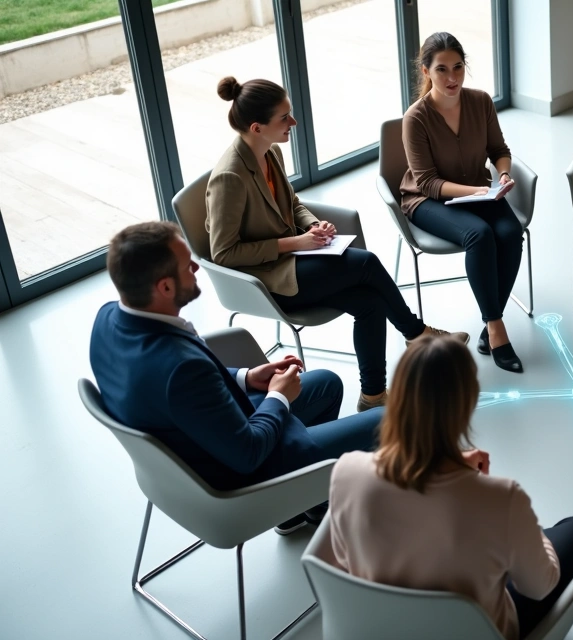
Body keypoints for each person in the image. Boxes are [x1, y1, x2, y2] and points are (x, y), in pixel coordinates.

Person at [90, 222, 383, 534]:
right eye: (187, 265)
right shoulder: (179, 368)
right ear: (164, 287)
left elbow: (178, 392)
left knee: (326, 382)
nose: (196, 268)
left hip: (199, 439)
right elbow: (248, 453)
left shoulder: (108, 318)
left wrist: (246, 377)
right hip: (242, 473)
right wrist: (278, 397)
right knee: (386, 419)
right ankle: (300, 493)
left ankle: (306, 506)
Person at [206, 76, 465, 412]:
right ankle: (417, 334)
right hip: (268, 280)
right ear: (256, 127)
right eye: (284, 118)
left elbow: (292, 203)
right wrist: (295, 242)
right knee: (366, 263)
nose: (294, 123)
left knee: (370, 302)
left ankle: (373, 396)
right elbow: (224, 254)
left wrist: (314, 225)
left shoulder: (269, 154)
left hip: (295, 261)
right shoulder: (230, 177)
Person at [328, 336, 573, 640]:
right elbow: (539, 586)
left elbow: (345, 557)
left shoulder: (346, 471)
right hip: (481, 631)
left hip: (384, 629)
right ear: (466, 405)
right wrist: (530, 534)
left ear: (398, 396)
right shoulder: (501, 499)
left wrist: (448, 464)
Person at [400, 32, 525, 374]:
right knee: (480, 235)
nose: (452, 78)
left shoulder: (481, 102)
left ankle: (489, 320)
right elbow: (426, 182)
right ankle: (496, 328)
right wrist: (473, 192)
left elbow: (499, 151)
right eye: (442, 70)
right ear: (426, 71)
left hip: (479, 191)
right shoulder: (416, 118)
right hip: (427, 200)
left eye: (458, 67)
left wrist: (501, 176)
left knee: (511, 232)